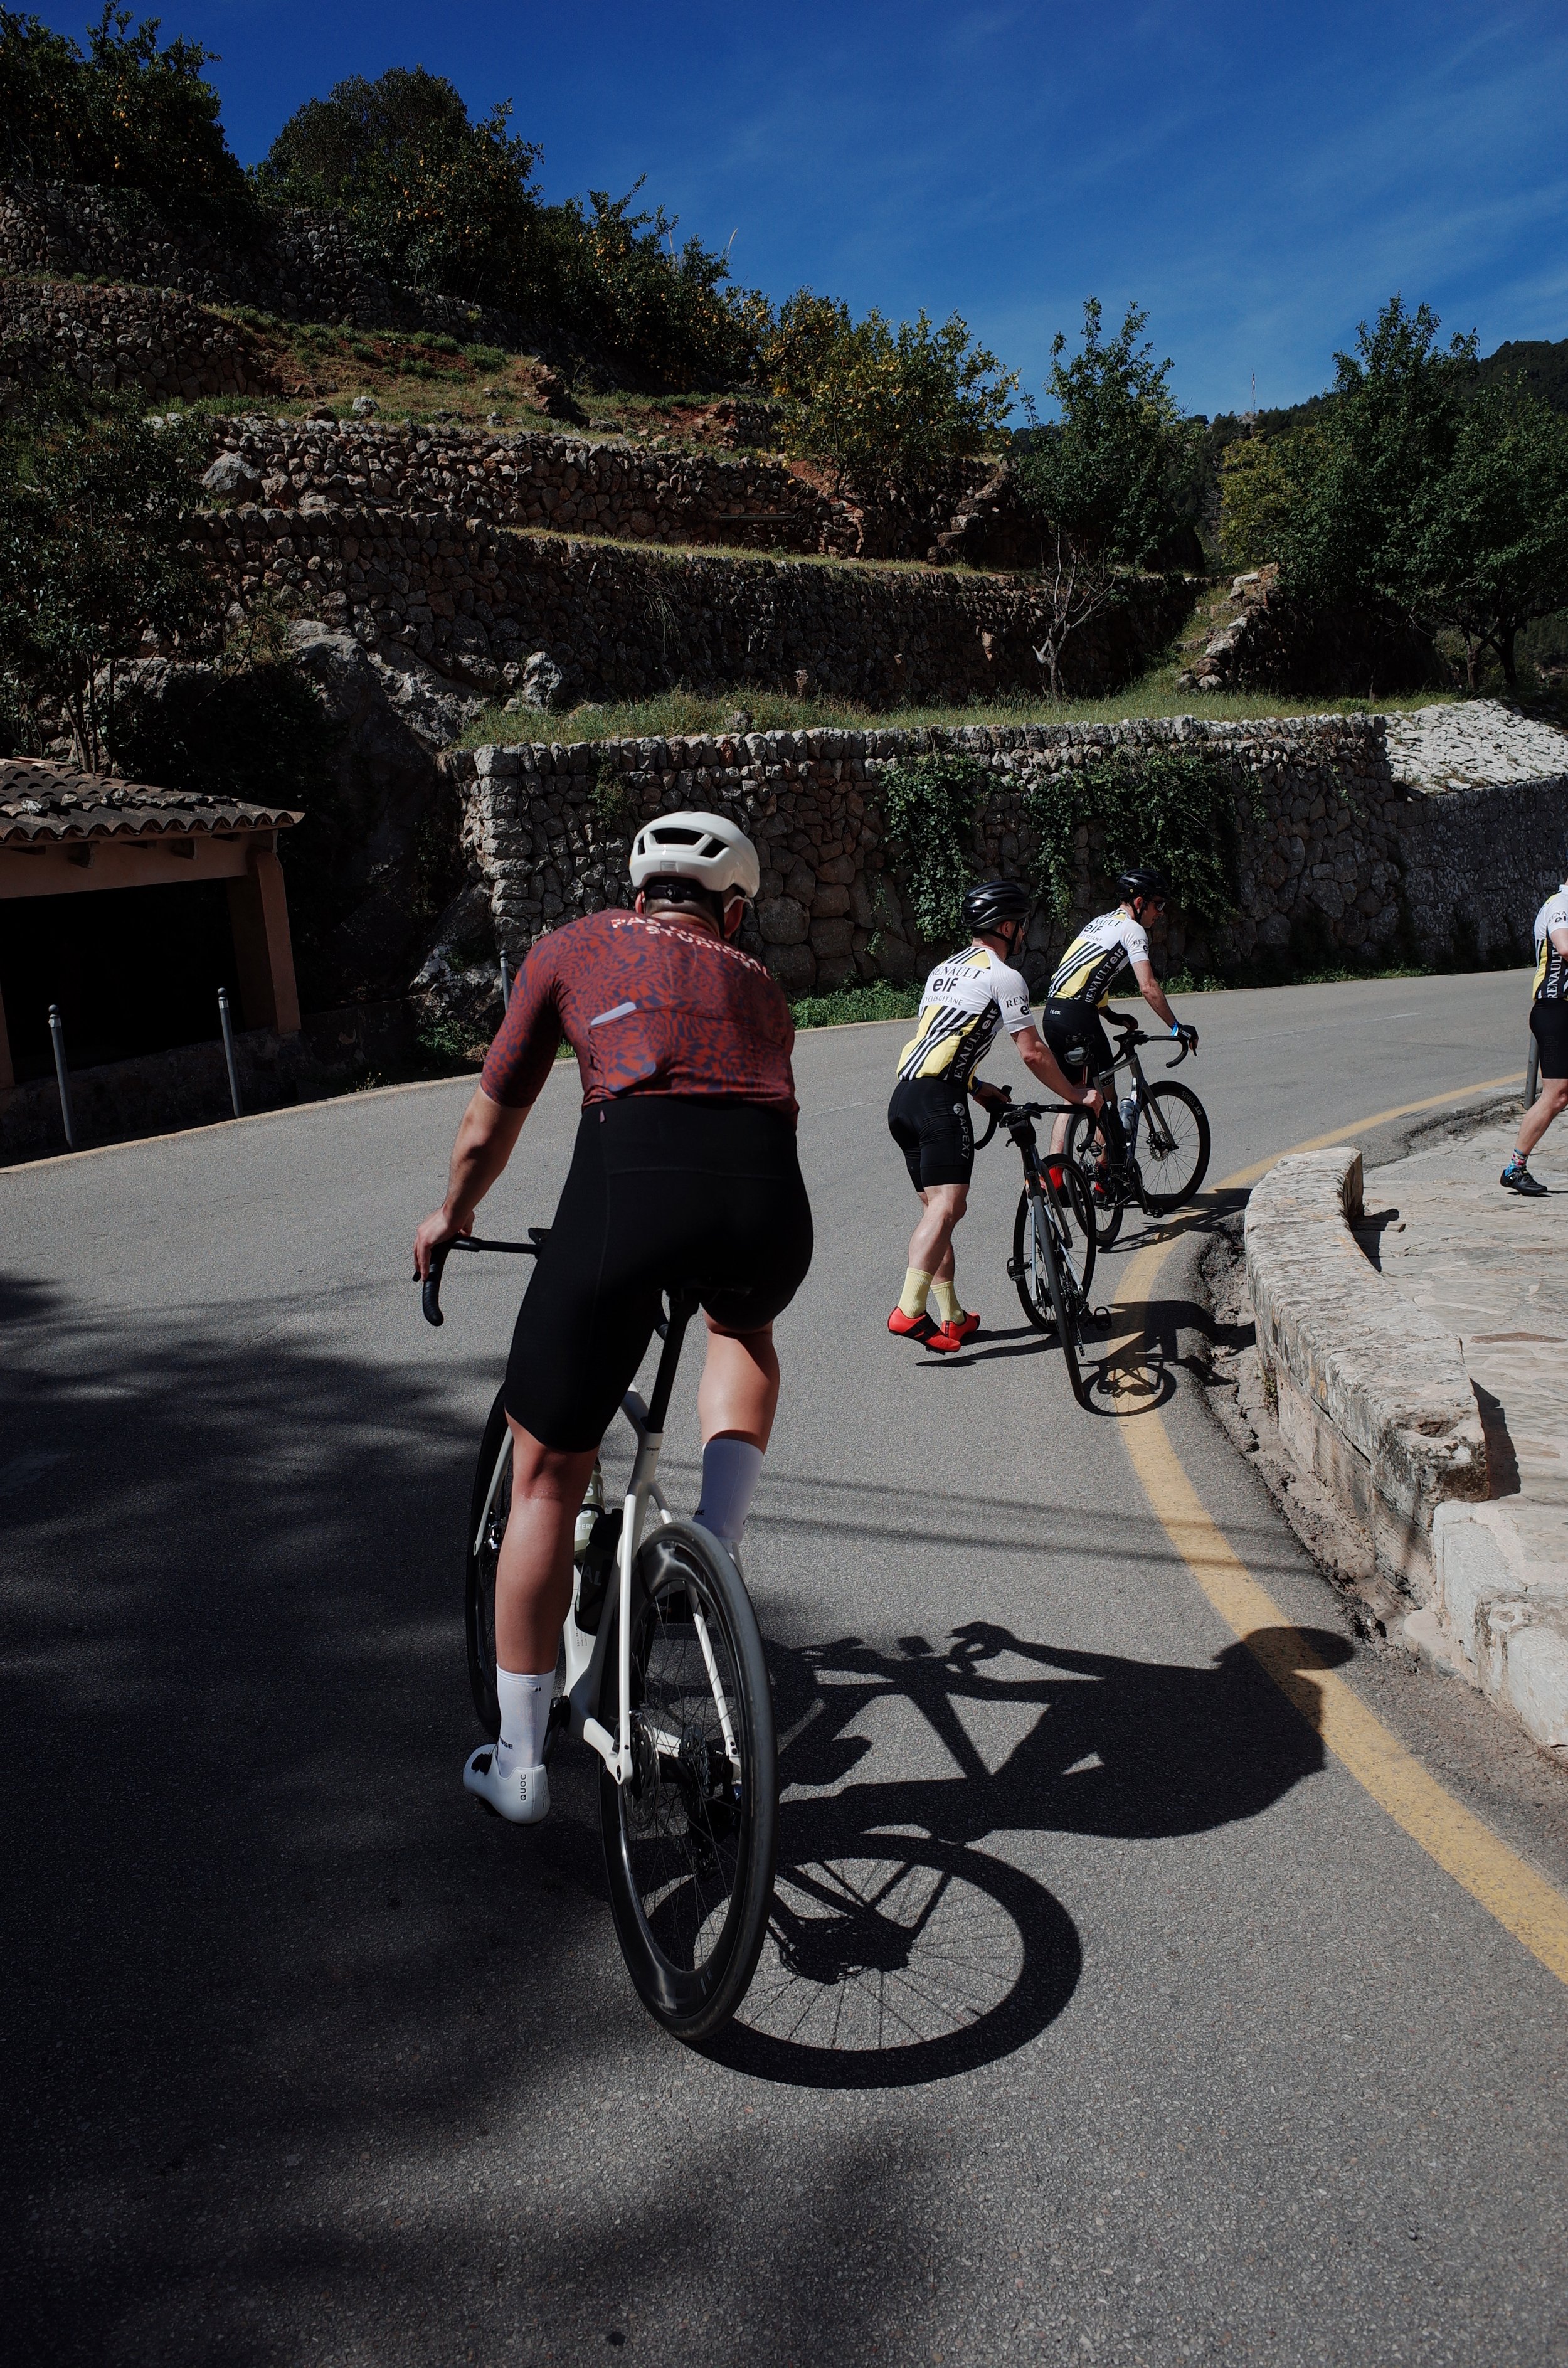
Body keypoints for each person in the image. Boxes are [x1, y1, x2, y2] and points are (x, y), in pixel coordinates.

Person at [413, 812, 813, 1824]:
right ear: (731, 910)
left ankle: (519, 1761)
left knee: (548, 1477)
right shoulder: (761, 984)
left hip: (633, 1192)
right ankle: (714, 1541)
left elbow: (490, 1116)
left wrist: (453, 1214)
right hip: (769, 1208)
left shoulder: (571, 947)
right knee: (740, 1331)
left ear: (640, 894)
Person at [886, 879, 1103, 1351]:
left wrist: (980, 1088)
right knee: (947, 1208)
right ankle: (909, 1310)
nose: (1023, 935)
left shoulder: (942, 970)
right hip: (941, 1100)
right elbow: (1032, 1053)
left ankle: (954, 1317)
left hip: (904, 1097)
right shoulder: (1004, 976)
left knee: (939, 1211)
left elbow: (940, 1039)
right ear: (1006, 926)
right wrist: (1075, 1094)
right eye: (1020, 926)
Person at [1040, 867, 1199, 1187]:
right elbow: (1148, 986)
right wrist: (1176, 1027)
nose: (1160, 913)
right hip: (1079, 1017)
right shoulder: (1133, 930)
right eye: (1158, 905)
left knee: (1077, 1095)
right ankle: (1103, 1180)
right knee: (1105, 1099)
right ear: (1139, 902)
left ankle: (1053, 1179)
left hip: (1053, 1014)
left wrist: (1110, 1015)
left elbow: (1086, 974)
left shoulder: (1099, 923)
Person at [1502, 876, 1568, 1195]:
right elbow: (1565, 946)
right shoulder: (1560, 904)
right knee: (1556, 1095)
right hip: (1555, 1009)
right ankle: (1515, 1168)